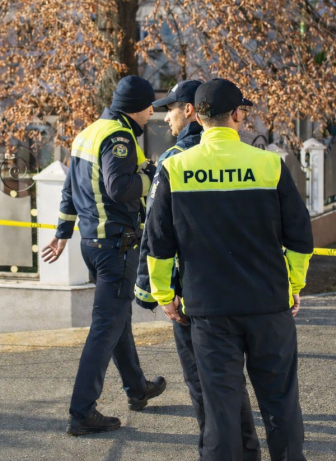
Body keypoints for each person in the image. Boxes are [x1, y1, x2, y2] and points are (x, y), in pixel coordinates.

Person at [145, 78, 314, 461]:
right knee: (281, 403)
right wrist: (294, 284)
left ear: (198, 116)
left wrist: (163, 295)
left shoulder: (176, 167)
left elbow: (158, 242)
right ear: (237, 115)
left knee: (220, 410)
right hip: (269, 302)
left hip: (209, 309)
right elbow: (301, 237)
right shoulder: (270, 164)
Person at [134, 79, 261, 461]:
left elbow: (157, 233)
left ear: (191, 110)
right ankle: (245, 450)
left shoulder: (177, 158)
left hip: (189, 292)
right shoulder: (245, 154)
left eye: (171, 108)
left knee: (203, 382)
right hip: (240, 289)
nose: (167, 116)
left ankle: (216, 451)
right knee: (230, 380)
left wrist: (150, 290)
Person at [41, 75, 167, 437]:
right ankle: (82, 412)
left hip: (92, 245)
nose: (150, 116)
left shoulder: (87, 133)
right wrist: (151, 175)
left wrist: (62, 233)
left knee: (117, 319)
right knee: (105, 327)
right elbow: (119, 187)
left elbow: (68, 190)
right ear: (139, 109)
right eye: (149, 109)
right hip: (116, 245)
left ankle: (137, 388)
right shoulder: (119, 136)